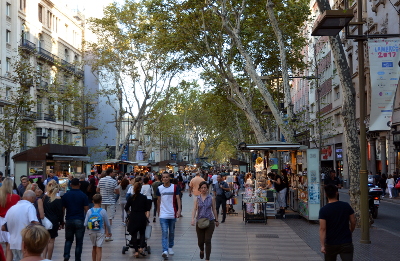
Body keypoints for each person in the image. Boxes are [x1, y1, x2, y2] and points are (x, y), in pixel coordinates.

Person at [319, 184, 355, 261]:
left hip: (330, 243)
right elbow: (353, 221)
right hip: (346, 242)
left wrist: (322, 245)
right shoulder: (346, 206)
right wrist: (350, 231)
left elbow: (322, 228)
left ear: (326, 194)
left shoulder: (323, 210)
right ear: (337, 193)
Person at [2, 190, 39, 261]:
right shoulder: (30, 206)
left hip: (13, 243)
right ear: (31, 198)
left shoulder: (12, 208)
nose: (34, 201)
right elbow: (34, 222)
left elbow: (3, 227)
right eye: (34, 199)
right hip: (25, 242)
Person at [62, 178, 89, 261]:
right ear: (79, 185)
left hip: (69, 219)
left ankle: (66, 255)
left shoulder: (66, 195)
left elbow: (63, 209)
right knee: (79, 242)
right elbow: (86, 210)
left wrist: (62, 220)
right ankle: (77, 258)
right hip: (80, 220)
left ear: (70, 185)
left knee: (68, 240)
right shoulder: (83, 195)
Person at [191, 181, 219, 261]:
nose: (203, 189)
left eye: (205, 187)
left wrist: (216, 220)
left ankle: (207, 258)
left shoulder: (211, 198)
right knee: (200, 241)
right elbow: (194, 209)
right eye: (202, 188)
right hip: (199, 221)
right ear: (199, 189)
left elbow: (214, 209)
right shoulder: (197, 198)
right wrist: (192, 219)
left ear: (207, 189)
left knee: (207, 240)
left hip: (209, 221)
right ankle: (202, 250)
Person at [156, 172, 182, 259]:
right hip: (163, 214)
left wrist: (179, 210)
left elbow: (178, 198)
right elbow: (158, 201)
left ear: (169, 178)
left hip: (172, 213)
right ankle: (165, 250)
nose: (165, 179)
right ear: (162, 179)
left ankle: (170, 246)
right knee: (164, 232)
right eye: (164, 177)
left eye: (167, 177)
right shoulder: (159, 188)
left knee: (171, 232)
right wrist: (158, 212)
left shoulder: (174, 187)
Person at [84, 194, 112, 261]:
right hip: (100, 231)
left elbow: (85, 223)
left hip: (91, 232)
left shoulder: (89, 211)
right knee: (99, 248)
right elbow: (107, 224)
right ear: (101, 201)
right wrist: (109, 232)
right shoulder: (103, 211)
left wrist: (89, 226)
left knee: (94, 247)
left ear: (93, 201)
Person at [125, 183, 149, 258]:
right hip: (141, 216)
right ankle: (141, 248)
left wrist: (130, 213)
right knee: (142, 233)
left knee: (134, 234)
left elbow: (126, 208)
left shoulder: (131, 197)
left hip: (133, 217)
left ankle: (136, 251)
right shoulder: (144, 197)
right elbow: (147, 208)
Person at [42, 180, 63, 260]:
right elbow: (60, 212)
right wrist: (61, 222)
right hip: (54, 221)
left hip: (45, 221)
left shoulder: (44, 198)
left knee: (45, 241)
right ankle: (49, 258)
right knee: (51, 240)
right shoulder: (58, 199)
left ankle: (43, 257)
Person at [0, 178, 20, 261]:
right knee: (9, 245)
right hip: (11, 221)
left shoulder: (1, 197)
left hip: (0, 221)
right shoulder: (16, 197)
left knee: (5, 244)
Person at [97, 168, 119, 232]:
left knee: (102, 216)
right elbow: (117, 192)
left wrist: (102, 192)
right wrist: (112, 191)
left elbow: (97, 190)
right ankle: (108, 233)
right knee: (109, 218)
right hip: (110, 201)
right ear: (111, 173)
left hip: (102, 200)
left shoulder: (101, 180)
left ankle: (103, 231)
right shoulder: (114, 181)